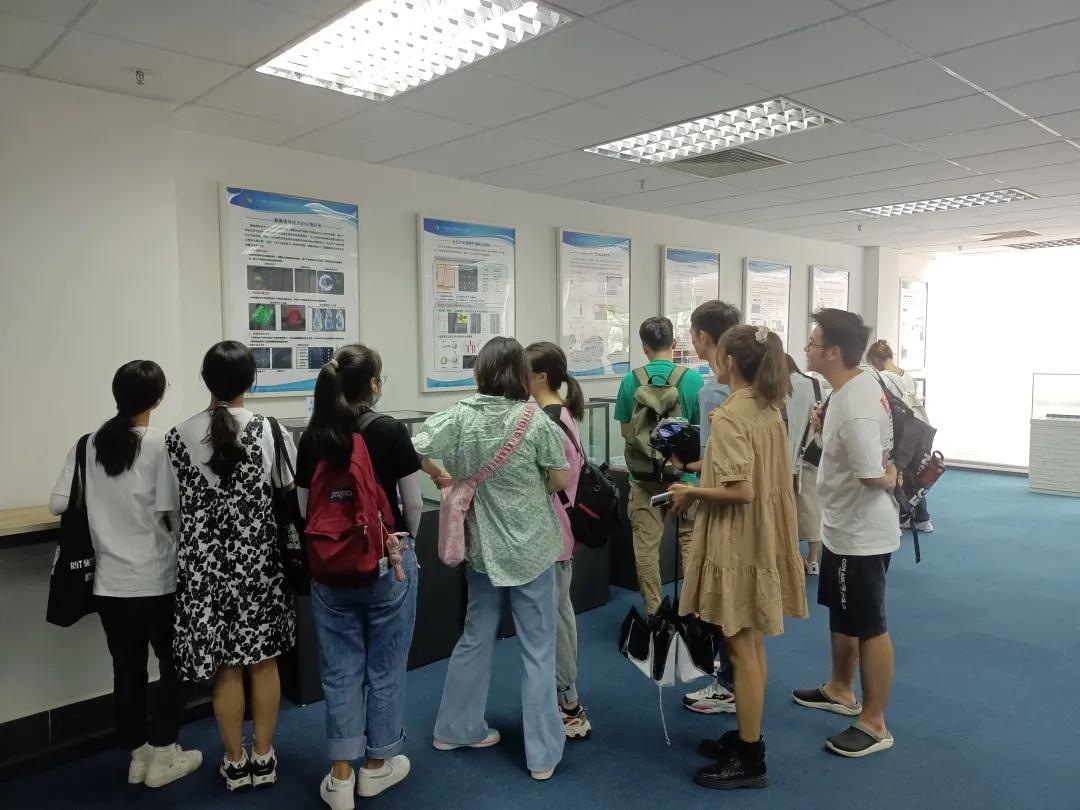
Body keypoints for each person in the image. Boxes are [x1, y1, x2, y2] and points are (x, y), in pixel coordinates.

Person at [413, 337, 571, 781]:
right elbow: (560, 478)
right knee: (538, 648)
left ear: (480, 371)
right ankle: (542, 754)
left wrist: (442, 475)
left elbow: (412, 446)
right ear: (521, 372)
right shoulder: (534, 419)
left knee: (475, 636)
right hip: (532, 548)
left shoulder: (459, 415)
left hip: (482, 548)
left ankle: (455, 728)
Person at [49, 361, 202, 789]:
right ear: (158, 398)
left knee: (127, 669)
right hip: (159, 579)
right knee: (178, 665)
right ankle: (164, 751)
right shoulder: (164, 444)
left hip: (109, 584)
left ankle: (138, 755)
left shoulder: (88, 444)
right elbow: (176, 513)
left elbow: (58, 504)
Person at [669, 325, 808, 790]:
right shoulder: (768, 406)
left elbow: (741, 490)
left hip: (739, 538)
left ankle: (750, 756)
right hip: (762, 534)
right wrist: (699, 472)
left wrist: (690, 492)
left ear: (729, 362)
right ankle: (748, 735)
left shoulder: (730, 414)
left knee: (740, 647)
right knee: (751, 644)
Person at [157, 341, 297, 791]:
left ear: (205, 380)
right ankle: (263, 756)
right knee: (263, 663)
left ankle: (234, 762)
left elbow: (169, 513)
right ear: (252, 381)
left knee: (225, 667)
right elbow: (288, 493)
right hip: (259, 567)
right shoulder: (271, 430)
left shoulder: (176, 437)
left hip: (203, 571)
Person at [294, 345, 422, 809]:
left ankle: (341, 776)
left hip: (330, 570)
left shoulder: (313, 437)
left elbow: (303, 508)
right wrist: (406, 543)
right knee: (385, 666)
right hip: (386, 564)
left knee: (340, 670)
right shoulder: (388, 429)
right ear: (372, 384)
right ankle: (378, 765)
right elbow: (412, 502)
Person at [793, 310, 899, 759]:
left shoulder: (855, 403)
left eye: (813, 343)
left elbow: (874, 474)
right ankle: (840, 688)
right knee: (842, 611)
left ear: (833, 352)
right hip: (840, 525)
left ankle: (874, 722)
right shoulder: (850, 387)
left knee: (869, 625)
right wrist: (823, 430)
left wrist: (891, 477)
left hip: (862, 533)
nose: (807, 349)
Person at [675, 300, 741, 715]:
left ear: (702, 336)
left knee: (721, 599)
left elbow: (715, 461)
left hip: (722, 506)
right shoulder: (762, 387)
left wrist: (689, 484)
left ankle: (729, 684)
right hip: (754, 509)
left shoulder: (714, 390)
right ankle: (736, 677)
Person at [614, 316, 704, 617]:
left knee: (646, 547)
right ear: (674, 343)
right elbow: (699, 432)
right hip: (685, 477)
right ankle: (691, 612)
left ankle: (654, 613)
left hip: (643, 478)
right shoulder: (693, 380)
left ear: (644, 347)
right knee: (689, 542)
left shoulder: (630, 380)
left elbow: (626, 431)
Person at [526, 340, 592, 741]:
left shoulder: (548, 419)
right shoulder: (559, 411)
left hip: (553, 532)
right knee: (560, 613)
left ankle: (568, 704)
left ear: (540, 376)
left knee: (555, 618)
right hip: (562, 531)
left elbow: (555, 480)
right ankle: (566, 696)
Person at [866, 339, 933, 533]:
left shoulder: (883, 378)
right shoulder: (908, 376)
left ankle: (907, 515)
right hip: (915, 430)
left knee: (898, 472)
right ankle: (920, 517)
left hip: (898, 432)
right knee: (913, 472)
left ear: (875, 359)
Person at [786, 354, 824, 575]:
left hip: (782, 459)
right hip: (810, 456)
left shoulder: (774, 387)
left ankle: (793, 556)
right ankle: (813, 559)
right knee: (811, 508)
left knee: (785, 510)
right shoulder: (814, 384)